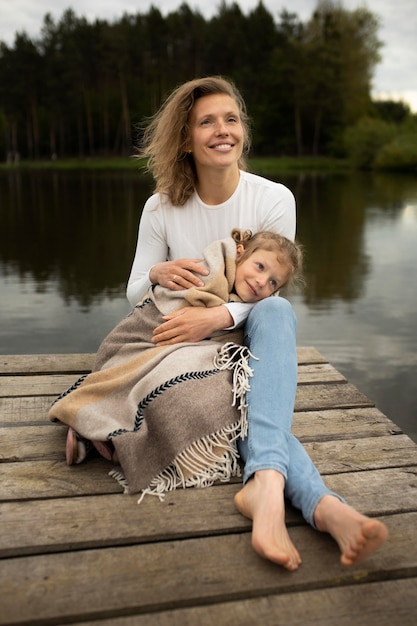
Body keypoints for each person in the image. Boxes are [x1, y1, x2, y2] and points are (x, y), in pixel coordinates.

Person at [123, 75, 388, 571]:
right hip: (188, 350)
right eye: (206, 122)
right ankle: (322, 506)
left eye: (231, 119)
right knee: (252, 408)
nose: (223, 130)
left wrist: (219, 315)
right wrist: (156, 273)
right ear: (185, 139)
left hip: (251, 340)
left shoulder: (273, 199)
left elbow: (272, 288)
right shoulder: (160, 208)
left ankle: (266, 489)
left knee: (276, 308)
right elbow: (135, 291)